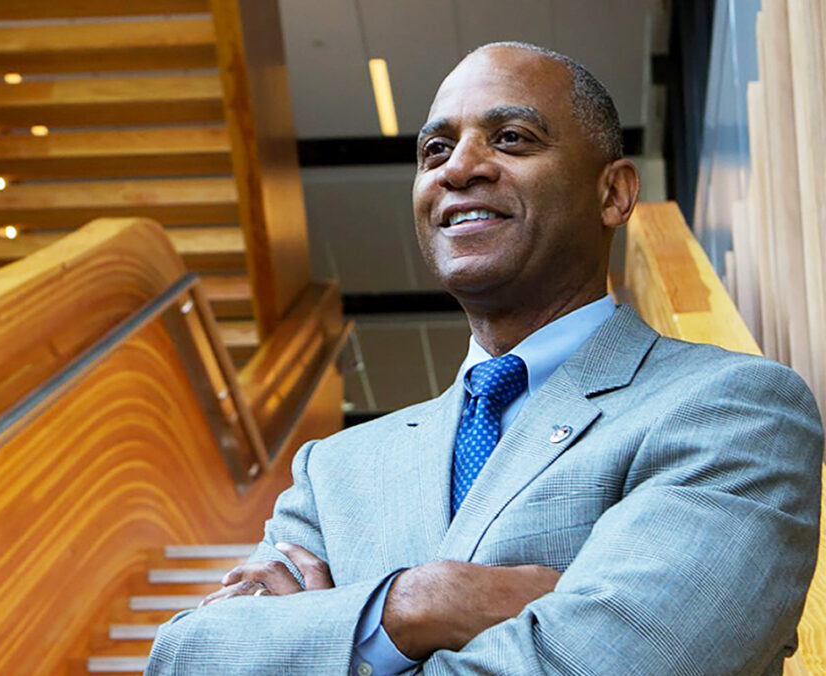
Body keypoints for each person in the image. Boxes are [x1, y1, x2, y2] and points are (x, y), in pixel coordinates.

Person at [146, 41, 823, 675]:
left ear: (613, 192)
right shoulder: (336, 473)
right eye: (435, 149)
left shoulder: (732, 408)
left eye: (512, 139)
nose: (459, 168)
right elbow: (183, 657)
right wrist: (415, 604)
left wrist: (323, 640)